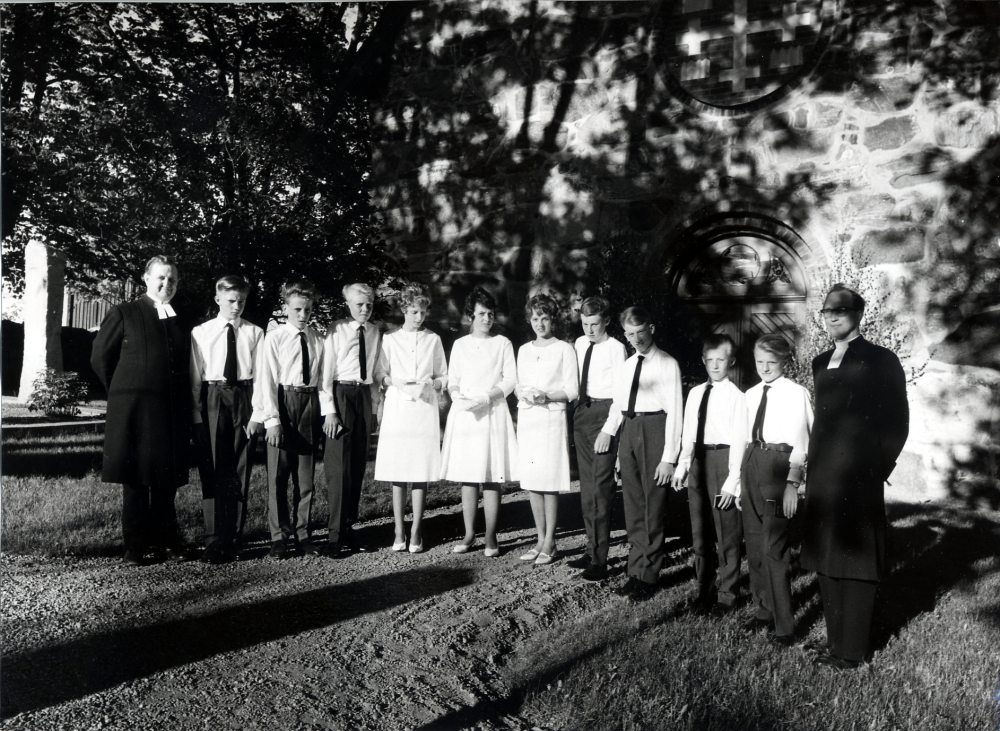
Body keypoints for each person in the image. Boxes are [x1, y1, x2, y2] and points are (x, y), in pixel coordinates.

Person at [801, 284, 909, 669]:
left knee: (857, 558)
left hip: (859, 475)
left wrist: (877, 466)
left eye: (840, 310)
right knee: (828, 555)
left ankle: (853, 651)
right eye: (826, 311)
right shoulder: (820, 362)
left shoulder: (881, 359)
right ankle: (835, 644)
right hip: (823, 475)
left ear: (859, 313)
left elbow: (897, 421)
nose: (831, 316)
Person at [91, 254, 192, 566]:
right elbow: (100, 358)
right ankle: (134, 548)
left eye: (172, 279)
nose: (166, 284)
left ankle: (167, 543)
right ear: (146, 278)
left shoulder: (181, 319)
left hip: (169, 412)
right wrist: (123, 392)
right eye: (161, 277)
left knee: (165, 481)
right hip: (133, 411)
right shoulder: (125, 312)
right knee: (135, 480)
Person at [600, 306, 683, 601]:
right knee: (633, 504)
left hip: (655, 428)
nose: (637, 339)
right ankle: (635, 571)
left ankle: (649, 575)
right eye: (630, 334)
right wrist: (612, 436)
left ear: (652, 329)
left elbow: (676, 411)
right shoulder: (626, 366)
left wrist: (668, 457)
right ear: (625, 335)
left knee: (652, 505)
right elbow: (618, 404)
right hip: (630, 429)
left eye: (641, 332)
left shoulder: (667, 364)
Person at [740, 333, 813, 647]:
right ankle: (764, 609)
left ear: (785, 361)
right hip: (752, 461)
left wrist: (792, 484)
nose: (765, 368)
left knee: (774, 546)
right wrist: (739, 480)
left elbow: (803, 443)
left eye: (771, 362)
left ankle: (785, 626)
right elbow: (743, 436)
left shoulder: (796, 394)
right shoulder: (751, 394)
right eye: (759, 361)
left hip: (779, 465)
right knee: (755, 544)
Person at [190, 275, 266, 563]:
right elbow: (195, 377)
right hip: (213, 396)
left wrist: (257, 414)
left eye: (241, 301)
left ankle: (233, 537)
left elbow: (262, 377)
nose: (236, 306)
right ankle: (213, 539)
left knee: (239, 469)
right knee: (212, 466)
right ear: (218, 299)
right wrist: (196, 413)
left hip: (243, 397)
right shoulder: (202, 332)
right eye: (231, 300)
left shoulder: (255, 333)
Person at [439, 285, 518, 557]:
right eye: (482, 314)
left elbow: (510, 380)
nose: (487, 318)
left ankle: (491, 536)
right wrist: (456, 395)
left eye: (491, 314)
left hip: (492, 411)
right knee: (469, 476)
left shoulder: (502, 343)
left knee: (492, 476)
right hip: (466, 414)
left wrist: (487, 397)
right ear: (470, 316)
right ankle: (470, 534)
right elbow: (453, 378)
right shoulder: (460, 345)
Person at [672, 334, 748, 615]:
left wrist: (732, 481)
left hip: (723, 460)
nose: (715, 365)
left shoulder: (737, 397)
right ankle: (704, 588)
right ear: (703, 360)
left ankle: (728, 594)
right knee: (700, 531)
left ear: (731, 361)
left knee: (727, 532)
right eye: (710, 360)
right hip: (699, 461)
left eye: (721, 360)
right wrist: (683, 465)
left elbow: (740, 441)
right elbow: (689, 433)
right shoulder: (695, 393)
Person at [373, 283, 448, 553]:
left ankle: (416, 529)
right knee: (398, 469)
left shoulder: (433, 339)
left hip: (424, 408)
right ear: (404, 309)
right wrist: (394, 381)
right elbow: (380, 373)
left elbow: (443, 375)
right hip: (398, 408)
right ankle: (398, 529)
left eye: (423, 312)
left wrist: (434, 384)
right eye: (414, 312)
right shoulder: (390, 339)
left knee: (420, 470)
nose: (419, 317)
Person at [256, 280, 325, 560]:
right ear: (286, 308)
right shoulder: (275, 338)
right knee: (278, 476)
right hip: (283, 402)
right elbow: (267, 380)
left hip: (309, 403)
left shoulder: (318, 339)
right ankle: (279, 537)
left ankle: (303, 534)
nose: (303, 314)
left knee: (305, 479)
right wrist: (272, 420)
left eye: (308, 309)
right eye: (297, 309)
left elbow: (321, 379)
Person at [515, 294, 579, 566]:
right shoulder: (524, 350)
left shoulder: (564, 349)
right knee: (533, 481)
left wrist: (546, 397)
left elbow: (572, 390)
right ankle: (540, 539)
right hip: (529, 418)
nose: (539, 323)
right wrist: (523, 393)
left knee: (549, 481)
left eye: (544, 318)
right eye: (535, 318)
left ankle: (550, 541)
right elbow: (518, 384)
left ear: (552, 319)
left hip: (551, 418)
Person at [566, 296, 626, 581]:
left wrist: (608, 430)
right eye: (585, 323)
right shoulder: (579, 344)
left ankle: (600, 561)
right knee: (587, 487)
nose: (589, 329)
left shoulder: (616, 348)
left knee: (601, 488)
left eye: (595, 324)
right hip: (583, 412)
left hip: (605, 414)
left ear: (607, 321)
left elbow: (621, 395)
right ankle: (591, 550)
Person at [322, 283, 382, 557]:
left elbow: (374, 372)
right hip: (341, 394)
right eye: (359, 305)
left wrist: (373, 411)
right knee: (339, 467)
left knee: (357, 464)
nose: (365, 309)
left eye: (369, 305)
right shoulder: (336, 329)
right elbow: (326, 373)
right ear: (348, 304)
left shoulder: (374, 331)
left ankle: (349, 528)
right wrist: (330, 411)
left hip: (363, 396)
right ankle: (334, 536)